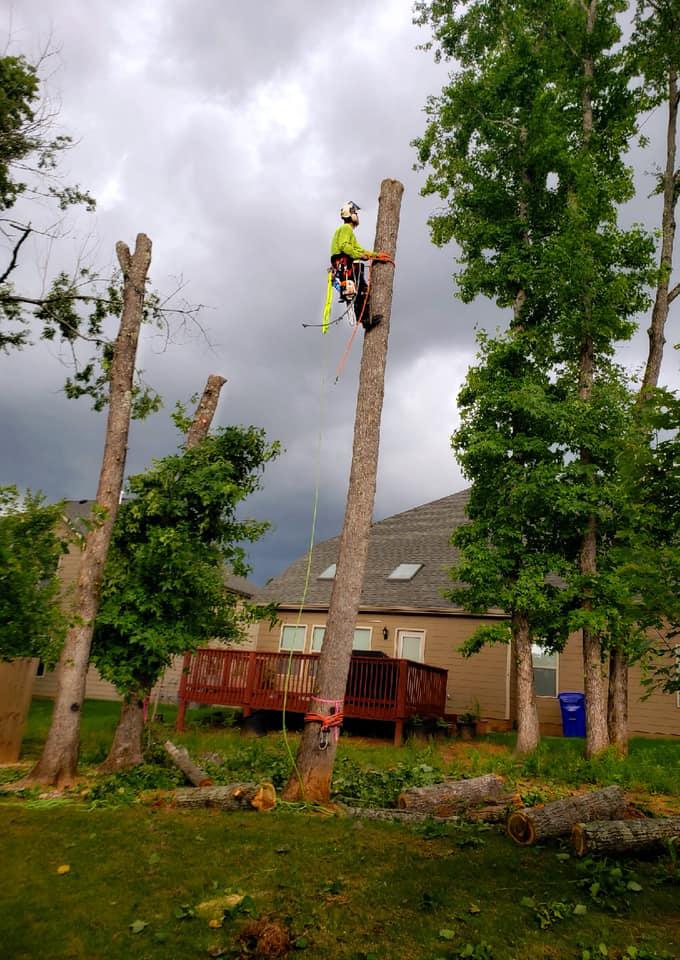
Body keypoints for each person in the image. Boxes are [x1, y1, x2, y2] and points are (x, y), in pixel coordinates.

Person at [330, 201, 391, 330]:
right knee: (359, 291)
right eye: (355, 213)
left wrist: (376, 256)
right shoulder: (346, 229)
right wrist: (360, 256)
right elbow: (344, 246)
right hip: (346, 265)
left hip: (347, 265)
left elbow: (359, 250)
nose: (357, 215)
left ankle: (365, 319)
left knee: (361, 290)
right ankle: (365, 320)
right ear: (351, 214)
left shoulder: (349, 232)